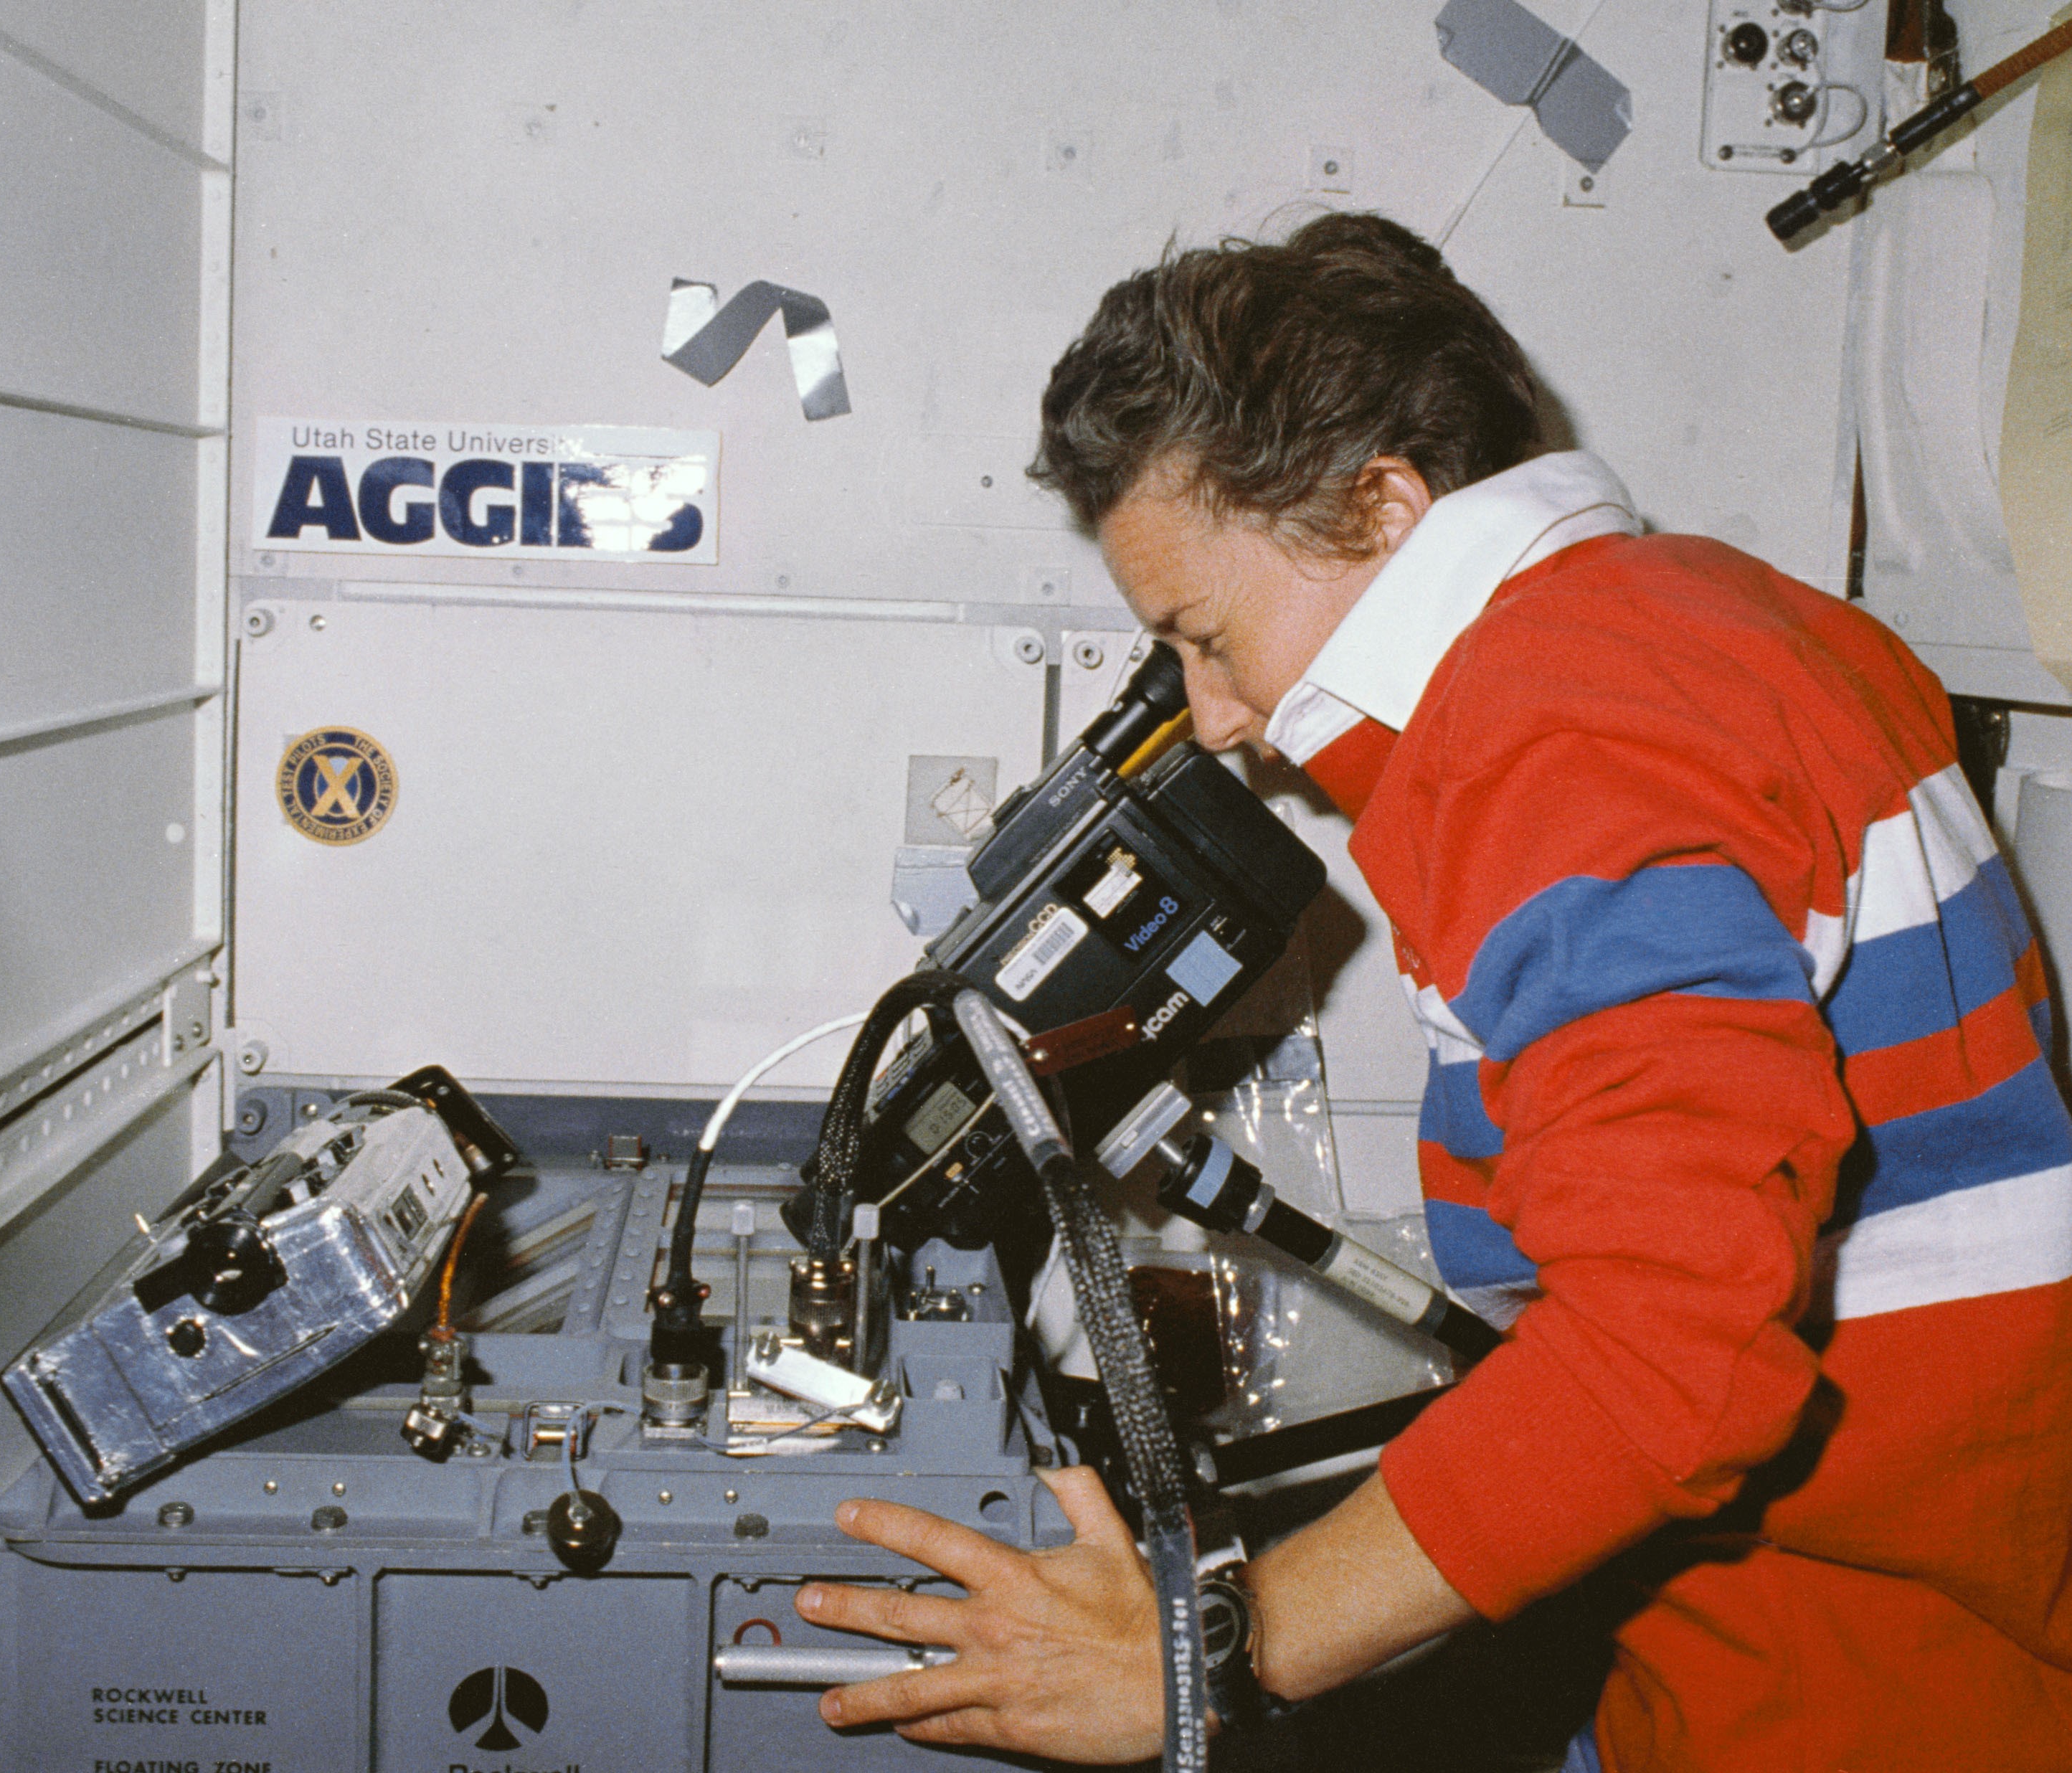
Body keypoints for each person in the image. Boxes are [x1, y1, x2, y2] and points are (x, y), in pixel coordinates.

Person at [792, 211, 2072, 1770]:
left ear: (1382, 506)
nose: (1212, 719)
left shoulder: (1555, 729)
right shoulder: (1720, 619)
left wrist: (1209, 1653)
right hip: (1874, 1609)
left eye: (1203, 637)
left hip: (1849, 1680)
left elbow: (1670, 1352)